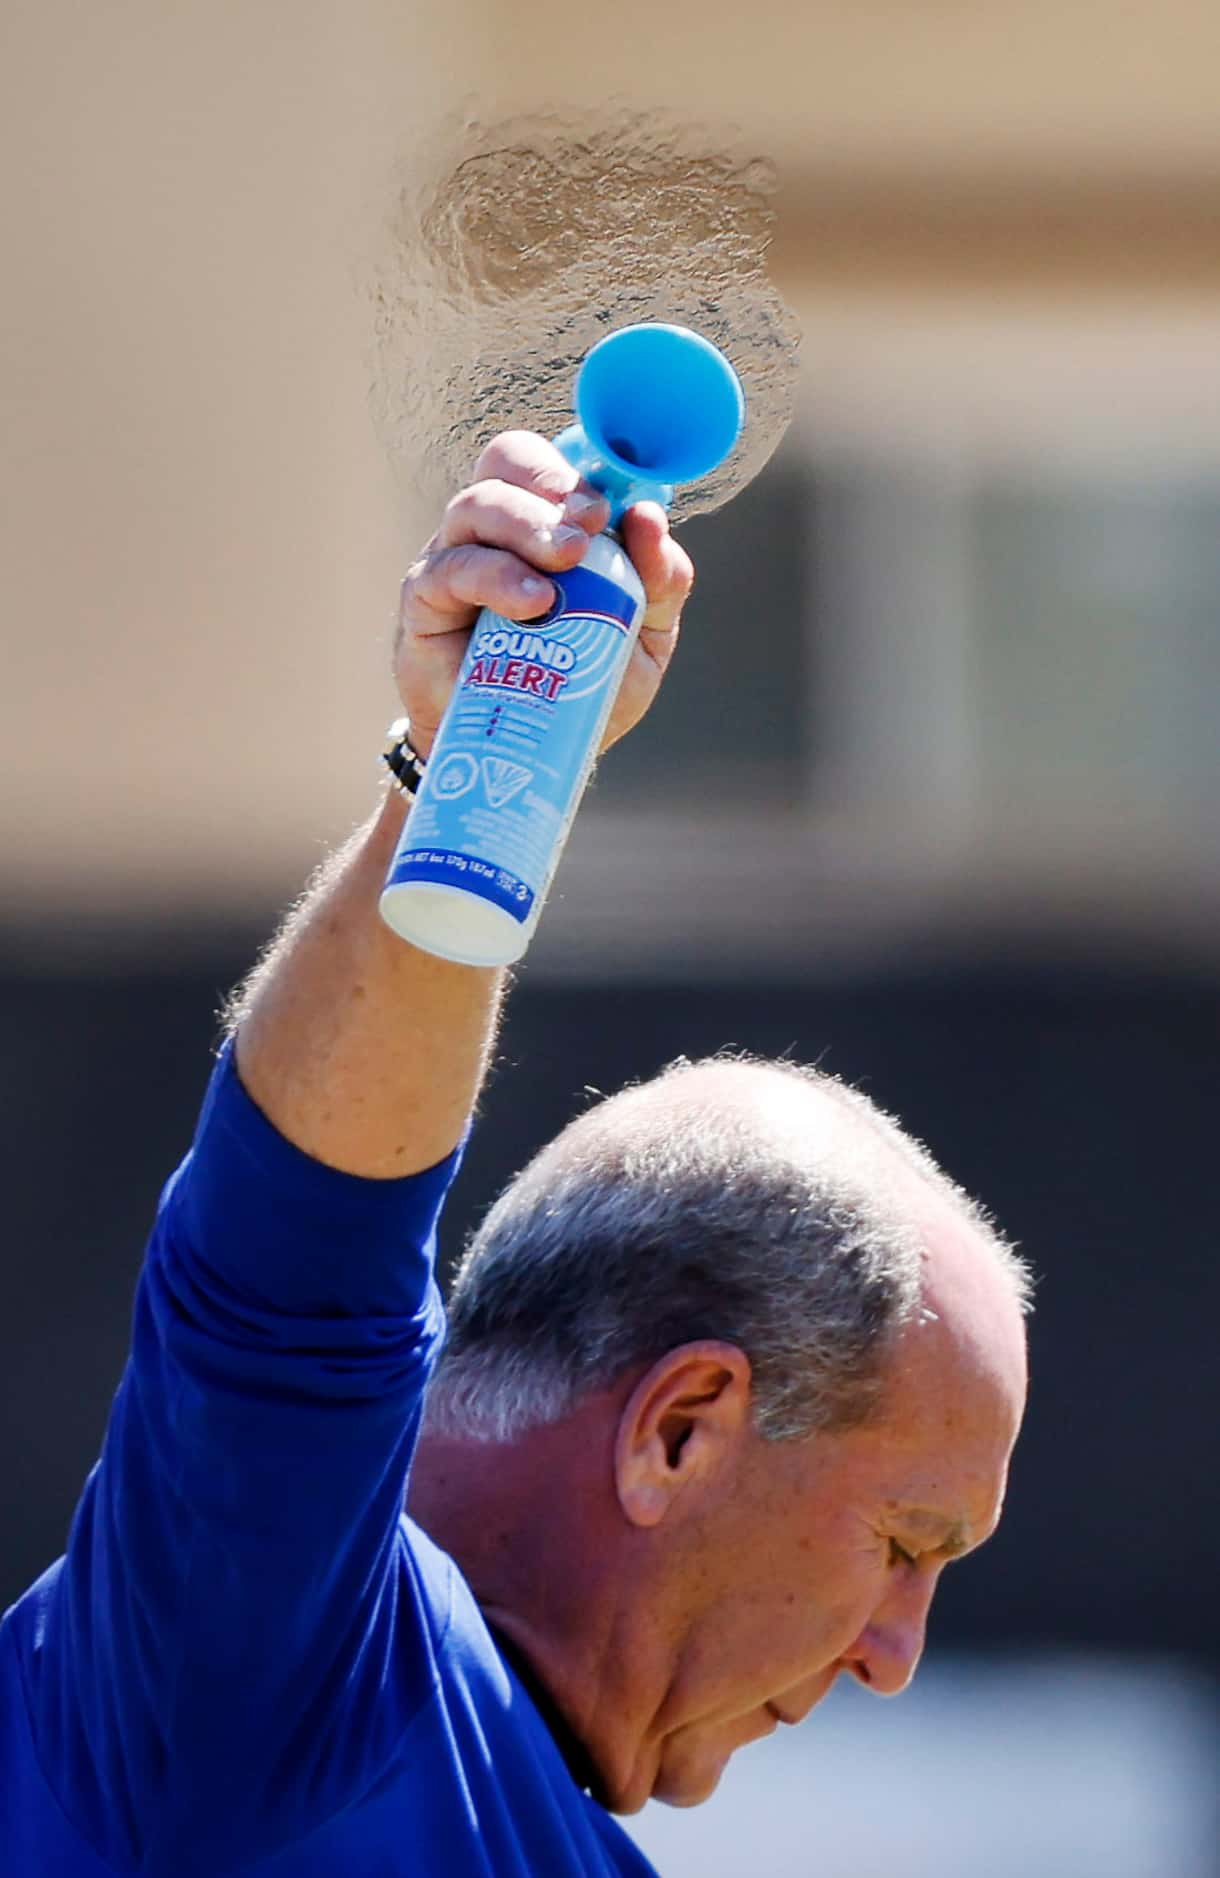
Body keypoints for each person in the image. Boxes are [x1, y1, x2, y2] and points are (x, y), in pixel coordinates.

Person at [0, 432, 1031, 1876]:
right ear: (682, 1426)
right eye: (908, 1544)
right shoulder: (271, 1676)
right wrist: (471, 768)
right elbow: (298, 1256)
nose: (895, 1653)